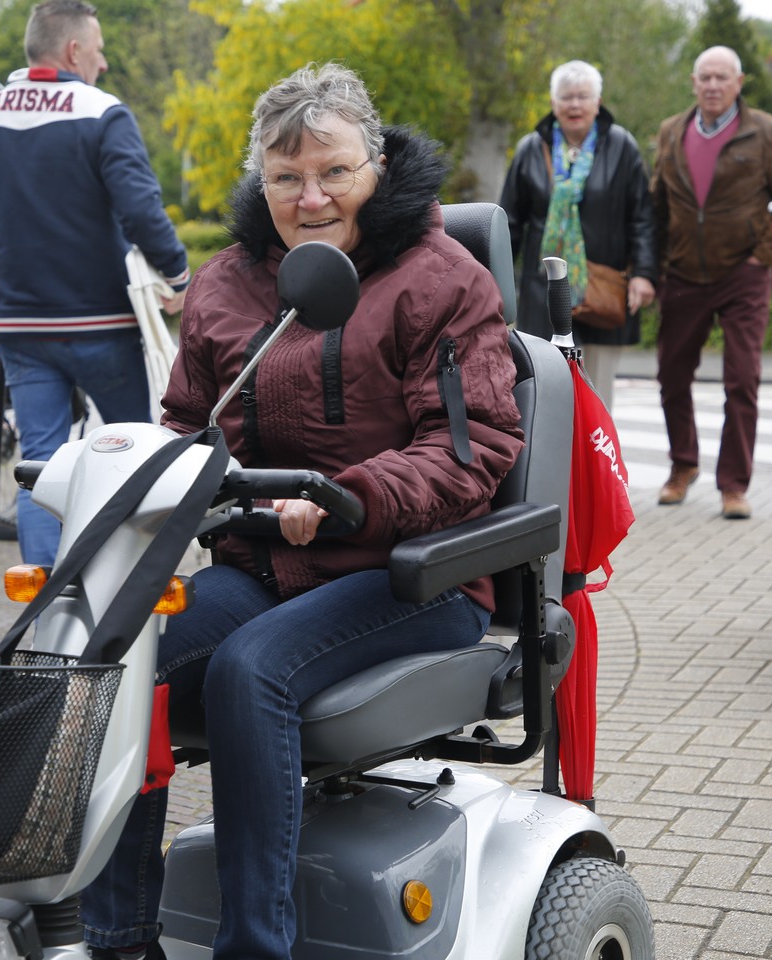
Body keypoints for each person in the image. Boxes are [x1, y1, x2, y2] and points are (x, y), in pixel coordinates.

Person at [79, 63, 525, 960]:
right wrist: (148, 478)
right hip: (261, 567)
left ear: (378, 167)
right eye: (286, 177)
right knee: (113, 653)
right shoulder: (226, 283)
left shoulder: (441, 279)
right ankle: (116, 940)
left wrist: (347, 498)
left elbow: (470, 448)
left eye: (335, 172)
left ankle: (257, 946)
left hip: (411, 575)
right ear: (262, 181)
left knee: (251, 671)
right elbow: (187, 426)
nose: (310, 197)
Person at [0, 0, 190, 566]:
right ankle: (128, 588)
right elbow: (140, 209)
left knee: (41, 465)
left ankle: (45, 598)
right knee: (133, 456)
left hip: (20, 327)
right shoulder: (102, 112)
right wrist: (178, 274)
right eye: (98, 51)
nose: (103, 63)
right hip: (101, 322)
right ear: (74, 51)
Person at [650, 45, 772, 519]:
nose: (713, 85)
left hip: (743, 275)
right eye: (705, 77)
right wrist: (653, 267)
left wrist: (762, 258)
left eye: (722, 77)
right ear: (694, 83)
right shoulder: (671, 132)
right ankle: (683, 466)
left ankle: (734, 485)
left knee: (742, 379)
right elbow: (657, 206)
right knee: (671, 375)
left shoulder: (764, 131)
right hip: (682, 273)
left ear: (739, 83)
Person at [498, 59, 657, 402]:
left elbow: (642, 217)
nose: (574, 105)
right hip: (543, 293)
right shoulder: (530, 149)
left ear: (598, 102)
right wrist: (495, 284)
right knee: (546, 393)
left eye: (582, 97)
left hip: (601, 289)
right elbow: (508, 223)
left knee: (596, 396)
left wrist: (644, 274)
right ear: (553, 103)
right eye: (566, 97)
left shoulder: (621, 146)